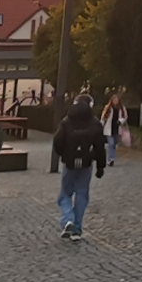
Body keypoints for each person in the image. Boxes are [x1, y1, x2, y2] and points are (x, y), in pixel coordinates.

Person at [51, 94, 105, 240]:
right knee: (82, 194)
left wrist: (62, 153)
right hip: (86, 162)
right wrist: (101, 166)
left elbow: (57, 141)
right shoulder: (94, 123)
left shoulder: (67, 122)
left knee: (65, 194)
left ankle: (68, 218)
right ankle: (77, 229)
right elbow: (100, 146)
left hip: (69, 162)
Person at [99, 93, 128, 168]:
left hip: (117, 128)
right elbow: (103, 117)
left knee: (114, 144)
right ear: (111, 100)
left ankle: (111, 156)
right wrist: (100, 125)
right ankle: (111, 159)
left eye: (117, 100)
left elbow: (125, 117)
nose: (116, 101)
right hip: (109, 128)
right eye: (114, 100)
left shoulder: (122, 108)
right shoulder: (108, 108)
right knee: (111, 143)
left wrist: (121, 121)